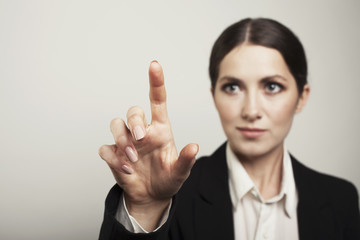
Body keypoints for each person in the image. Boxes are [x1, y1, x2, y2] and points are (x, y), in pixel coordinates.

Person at [98, 18, 360, 240]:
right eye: (232, 87)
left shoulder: (341, 199)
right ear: (214, 96)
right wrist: (146, 207)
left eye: (272, 86)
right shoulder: (176, 195)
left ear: (302, 97)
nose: (251, 110)